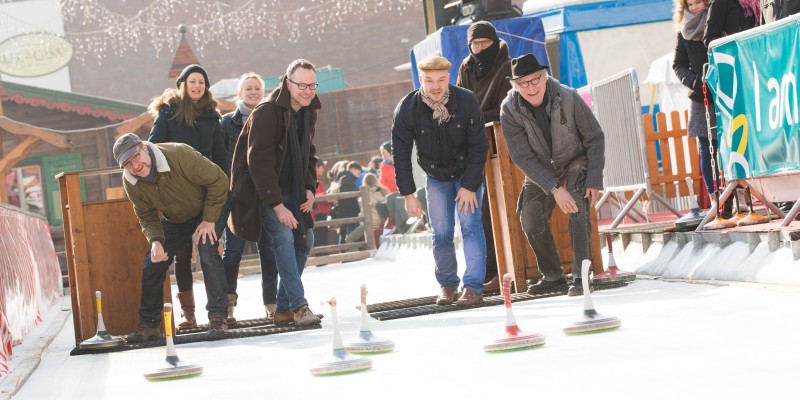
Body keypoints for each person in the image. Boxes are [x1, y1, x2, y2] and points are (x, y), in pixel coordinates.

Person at [499, 54, 605, 297]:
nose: (530, 87)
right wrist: (555, 189)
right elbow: (522, 157)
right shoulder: (509, 109)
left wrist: (594, 179)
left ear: (544, 77)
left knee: (577, 207)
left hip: (574, 159)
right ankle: (553, 275)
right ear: (515, 86)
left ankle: (581, 275)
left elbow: (594, 137)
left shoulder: (568, 97)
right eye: (523, 83)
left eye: (535, 79)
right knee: (530, 220)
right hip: (541, 167)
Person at [228, 59, 322, 326]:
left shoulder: (307, 111)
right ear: (288, 83)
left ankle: (283, 308)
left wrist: (309, 187)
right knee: (283, 239)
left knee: (306, 241)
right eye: (301, 85)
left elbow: (309, 154)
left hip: (293, 188)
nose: (307, 91)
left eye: (312, 85)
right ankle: (300, 307)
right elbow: (258, 163)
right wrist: (277, 206)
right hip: (264, 192)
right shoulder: (267, 113)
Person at [392, 55, 488, 306]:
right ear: (420, 79)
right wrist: (408, 195)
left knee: (470, 226)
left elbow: (479, 146)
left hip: (467, 172)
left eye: (441, 80)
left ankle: (473, 287)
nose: (435, 86)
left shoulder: (466, 100)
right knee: (442, 232)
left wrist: (469, 185)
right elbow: (400, 153)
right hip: (436, 177)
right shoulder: (407, 108)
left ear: (449, 78)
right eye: (429, 80)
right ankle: (447, 286)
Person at [113, 133, 229, 342]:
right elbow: (146, 215)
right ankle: (149, 325)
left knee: (206, 249)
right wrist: (156, 241)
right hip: (176, 217)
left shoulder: (179, 154)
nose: (135, 166)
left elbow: (219, 181)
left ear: (144, 147)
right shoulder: (130, 181)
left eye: (136, 157)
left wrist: (209, 219)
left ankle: (218, 318)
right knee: (152, 262)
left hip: (210, 205)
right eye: (128, 164)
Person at [147, 64, 227, 330]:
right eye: (193, 81)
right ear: (183, 84)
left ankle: (218, 313)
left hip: (206, 194)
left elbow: (221, 155)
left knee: (208, 250)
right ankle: (188, 313)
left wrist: (223, 189)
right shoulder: (168, 113)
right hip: (178, 196)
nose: (197, 86)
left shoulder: (211, 116)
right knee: (180, 253)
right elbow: (153, 150)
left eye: (202, 83)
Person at [456, 20, 513, 293]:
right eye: (475, 44)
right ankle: (489, 271)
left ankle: (506, 270)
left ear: (494, 42)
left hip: (500, 146)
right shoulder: (466, 67)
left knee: (501, 209)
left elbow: (507, 107)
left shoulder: (507, 66)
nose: (480, 49)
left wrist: (474, 118)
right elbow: (456, 100)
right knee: (480, 215)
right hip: (473, 148)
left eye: (484, 43)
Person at [219, 72, 279, 321]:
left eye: (257, 88)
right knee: (233, 251)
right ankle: (227, 303)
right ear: (239, 94)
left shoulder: (271, 118)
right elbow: (221, 158)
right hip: (237, 195)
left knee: (269, 249)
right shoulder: (226, 123)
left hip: (264, 193)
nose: (253, 92)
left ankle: (271, 303)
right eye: (248, 89)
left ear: (262, 92)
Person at [703, 0, 758, 216]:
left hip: (756, 75)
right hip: (733, 78)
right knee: (734, 138)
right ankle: (734, 197)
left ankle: (757, 192)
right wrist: (735, 45)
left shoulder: (758, 3)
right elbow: (710, 39)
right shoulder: (722, 3)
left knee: (754, 136)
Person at [673, 0, 719, 214]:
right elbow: (678, 64)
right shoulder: (684, 30)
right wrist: (694, 81)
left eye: (698, 2)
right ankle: (714, 197)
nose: (694, 8)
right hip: (700, 96)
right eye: (689, 4)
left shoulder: (717, 19)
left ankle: (737, 193)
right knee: (706, 147)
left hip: (724, 91)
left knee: (731, 143)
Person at [334, 161, 362, 243]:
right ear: (352, 169)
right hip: (350, 210)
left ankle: (347, 248)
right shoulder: (347, 178)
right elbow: (345, 190)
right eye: (358, 172)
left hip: (347, 210)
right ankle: (350, 248)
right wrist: (358, 190)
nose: (359, 174)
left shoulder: (345, 177)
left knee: (348, 231)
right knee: (351, 232)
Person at [312, 159, 333, 247]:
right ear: (316, 168)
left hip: (320, 212)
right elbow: (314, 195)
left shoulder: (316, 180)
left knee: (322, 237)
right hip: (317, 213)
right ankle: (322, 257)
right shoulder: (313, 180)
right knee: (320, 238)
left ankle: (323, 256)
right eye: (321, 167)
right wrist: (327, 196)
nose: (323, 170)